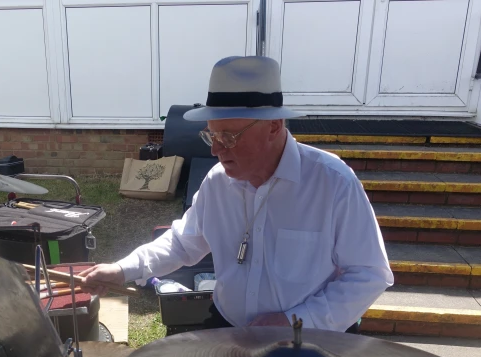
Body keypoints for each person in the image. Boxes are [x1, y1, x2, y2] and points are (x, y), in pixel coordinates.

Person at [80, 55, 393, 332]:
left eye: (228, 136)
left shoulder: (332, 182)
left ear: (274, 125)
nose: (216, 149)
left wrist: (296, 320)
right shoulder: (218, 182)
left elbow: (369, 273)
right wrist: (122, 270)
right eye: (211, 135)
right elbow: (182, 242)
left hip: (307, 336)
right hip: (228, 325)